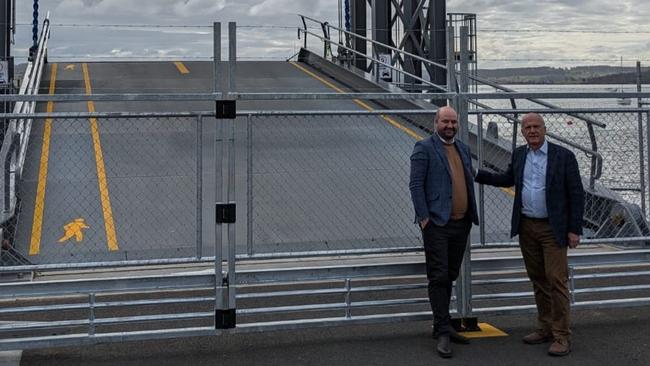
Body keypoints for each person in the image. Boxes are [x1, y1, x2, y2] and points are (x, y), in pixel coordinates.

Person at [475, 112, 584, 357]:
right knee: (538, 279)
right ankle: (545, 327)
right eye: (527, 128)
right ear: (522, 132)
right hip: (527, 226)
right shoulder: (520, 154)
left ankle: (562, 335)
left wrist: (574, 229)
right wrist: (477, 175)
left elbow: (576, 193)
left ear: (544, 129)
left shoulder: (563, 156)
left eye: (536, 126)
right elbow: (507, 179)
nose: (532, 131)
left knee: (556, 280)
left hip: (552, 227)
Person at [409, 106, 479, 358]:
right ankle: (442, 331)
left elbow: (469, 177)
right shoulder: (424, 148)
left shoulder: (462, 147)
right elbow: (415, 185)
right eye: (444, 122)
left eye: (453, 122)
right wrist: (424, 218)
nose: (449, 126)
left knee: (449, 274)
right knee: (438, 276)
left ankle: (445, 323)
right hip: (437, 224)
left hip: (461, 224)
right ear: (435, 122)